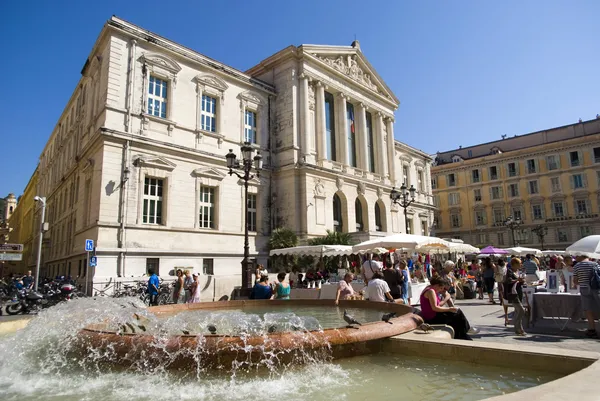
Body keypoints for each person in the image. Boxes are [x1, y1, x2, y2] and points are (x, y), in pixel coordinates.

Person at [573, 255, 600, 338]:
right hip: (596, 288)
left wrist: (581, 282)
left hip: (584, 288)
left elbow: (575, 281)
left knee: (588, 309)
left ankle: (592, 329)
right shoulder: (595, 264)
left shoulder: (577, 266)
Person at [505, 258, 526, 336]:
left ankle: (520, 329)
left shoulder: (517, 272)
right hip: (513, 294)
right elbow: (509, 281)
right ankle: (516, 327)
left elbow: (518, 282)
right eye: (519, 264)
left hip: (518, 292)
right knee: (521, 310)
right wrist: (517, 279)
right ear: (514, 264)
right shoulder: (509, 271)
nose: (520, 265)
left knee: (518, 311)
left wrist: (521, 281)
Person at [495, 259, 509, 325]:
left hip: (499, 279)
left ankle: (501, 301)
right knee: (503, 290)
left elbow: (496, 272)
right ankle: (503, 300)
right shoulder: (505, 266)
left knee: (500, 291)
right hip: (504, 279)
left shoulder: (497, 266)